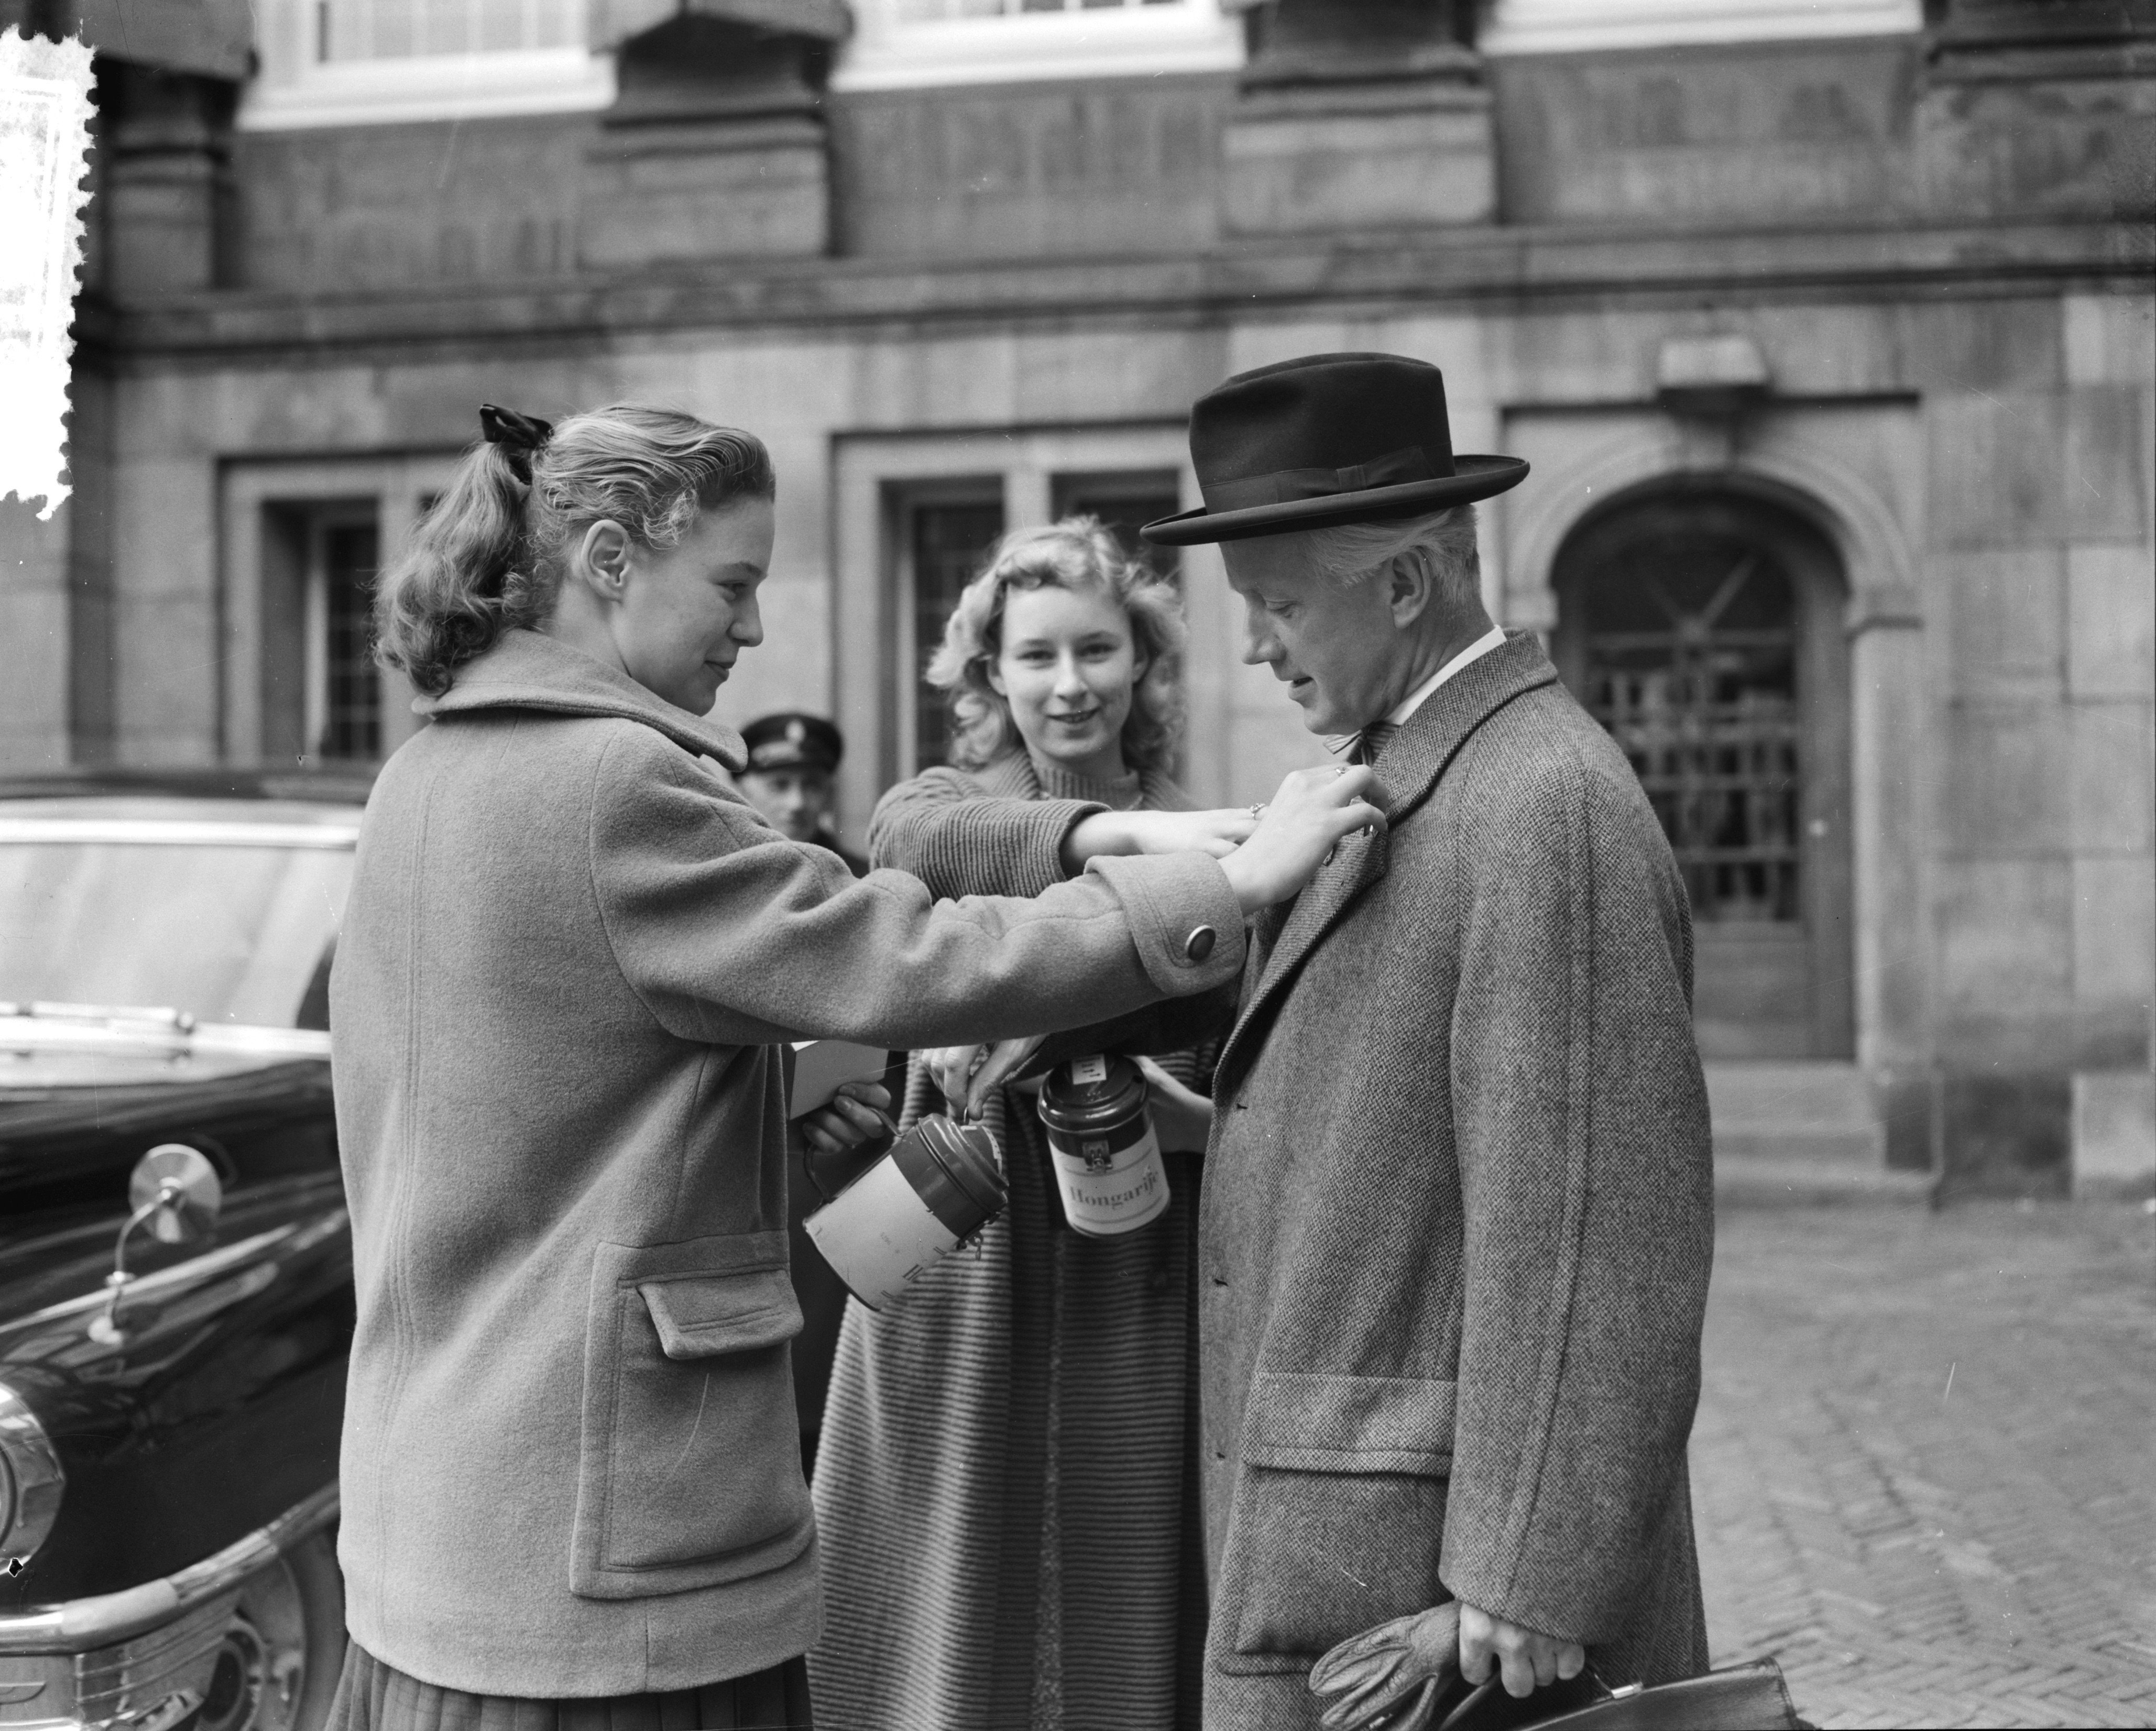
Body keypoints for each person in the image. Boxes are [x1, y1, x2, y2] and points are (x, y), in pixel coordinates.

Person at [326, 401, 1382, 1730]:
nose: (755, 629)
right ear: (606, 559)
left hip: (444, 1528)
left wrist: (764, 1111)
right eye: (734, 583)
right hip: (602, 1567)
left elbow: (533, 1104)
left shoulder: (425, 769)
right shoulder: (613, 783)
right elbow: (908, 961)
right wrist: (1218, 882)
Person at [969, 354, 1717, 1730]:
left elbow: (1594, 1227)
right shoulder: (1407, 780)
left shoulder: (1538, 800)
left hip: (1449, 1611)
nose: (1255, 643)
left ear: (1408, 584)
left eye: (1278, 603)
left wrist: (1529, 1575)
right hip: (1354, 1553)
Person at [811, 519, 1247, 1731]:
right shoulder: (944, 815)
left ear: (1141, 662)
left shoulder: (1202, 830)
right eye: (1036, 655)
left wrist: (1142, 1072)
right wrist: (1119, 853)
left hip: (1133, 1247)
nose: (1069, 684)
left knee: (1119, 1558)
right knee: (936, 1562)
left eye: (1097, 650)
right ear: (988, 674)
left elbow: (1231, 1029)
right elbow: (907, 843)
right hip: (956, 1251)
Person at [737, 713, 868, 877]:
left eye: (812, 786)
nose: (797, 803)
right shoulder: (724, 876)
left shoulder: (859, 880)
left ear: (829, 795)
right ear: (744, 792)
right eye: (779, 785)